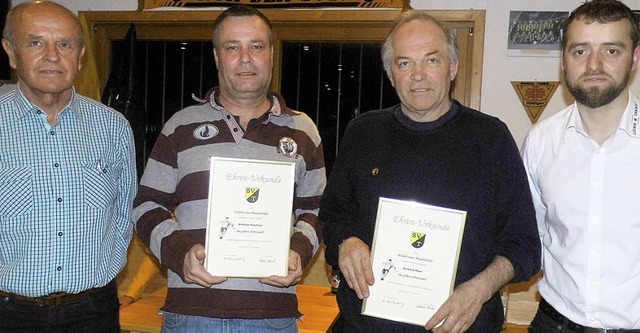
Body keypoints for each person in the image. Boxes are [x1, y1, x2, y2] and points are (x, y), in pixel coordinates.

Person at [320, 11, 541, 333]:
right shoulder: (362, 133)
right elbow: (334, 214)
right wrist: (347, 241)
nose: (418, 75)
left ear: (453, 67)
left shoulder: (490, 139)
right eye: (404, 63)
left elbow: (524, 245)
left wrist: (478, 290)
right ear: (391, 74)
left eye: (431, 60)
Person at [132, 5, 326, 333]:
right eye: (232, 47)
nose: (245, 57)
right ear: (217, 56)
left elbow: (317, 210)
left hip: (271, 317)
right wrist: (180, 253)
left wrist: (298, 252)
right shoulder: (179, 126)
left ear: (271, 54)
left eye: (257, 46)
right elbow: (146, 207)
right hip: (191, 315)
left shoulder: (302, 129)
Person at [0, 1, 137, 332]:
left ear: (81, 54)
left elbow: (124, 212)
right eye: (35, 42)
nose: (52, 55)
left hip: (94, 311)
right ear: (11, 52)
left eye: (64, 44)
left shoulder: (113, 127)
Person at [522, 0, 640, 331]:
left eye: (612, 51)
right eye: (580, 51)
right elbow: (536, 231)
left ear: (634, 57)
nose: (594, 64)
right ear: (563, 60)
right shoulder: (540, 142)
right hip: (554, 324)